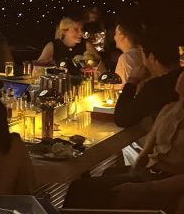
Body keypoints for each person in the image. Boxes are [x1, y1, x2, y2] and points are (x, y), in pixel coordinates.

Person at [65, 68, 184, 211]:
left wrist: (143, 188)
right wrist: (133, 175)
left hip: (170, 185)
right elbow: (146, 151)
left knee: (81, 188)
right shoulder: (169, 109)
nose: (181, 77)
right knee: (105, 178)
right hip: (151, 173)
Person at [115, 26, 181, 128]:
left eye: (142, 56)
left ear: (151, 57)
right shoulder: (178, 76)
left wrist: (132, 81)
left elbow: (122, 118)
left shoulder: (158, 87)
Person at [115, 20, 145, 85]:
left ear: (122, 36)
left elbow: (125, 87)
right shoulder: (143, 53)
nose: (114, 37)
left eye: (115, 34)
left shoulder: (126, 58)